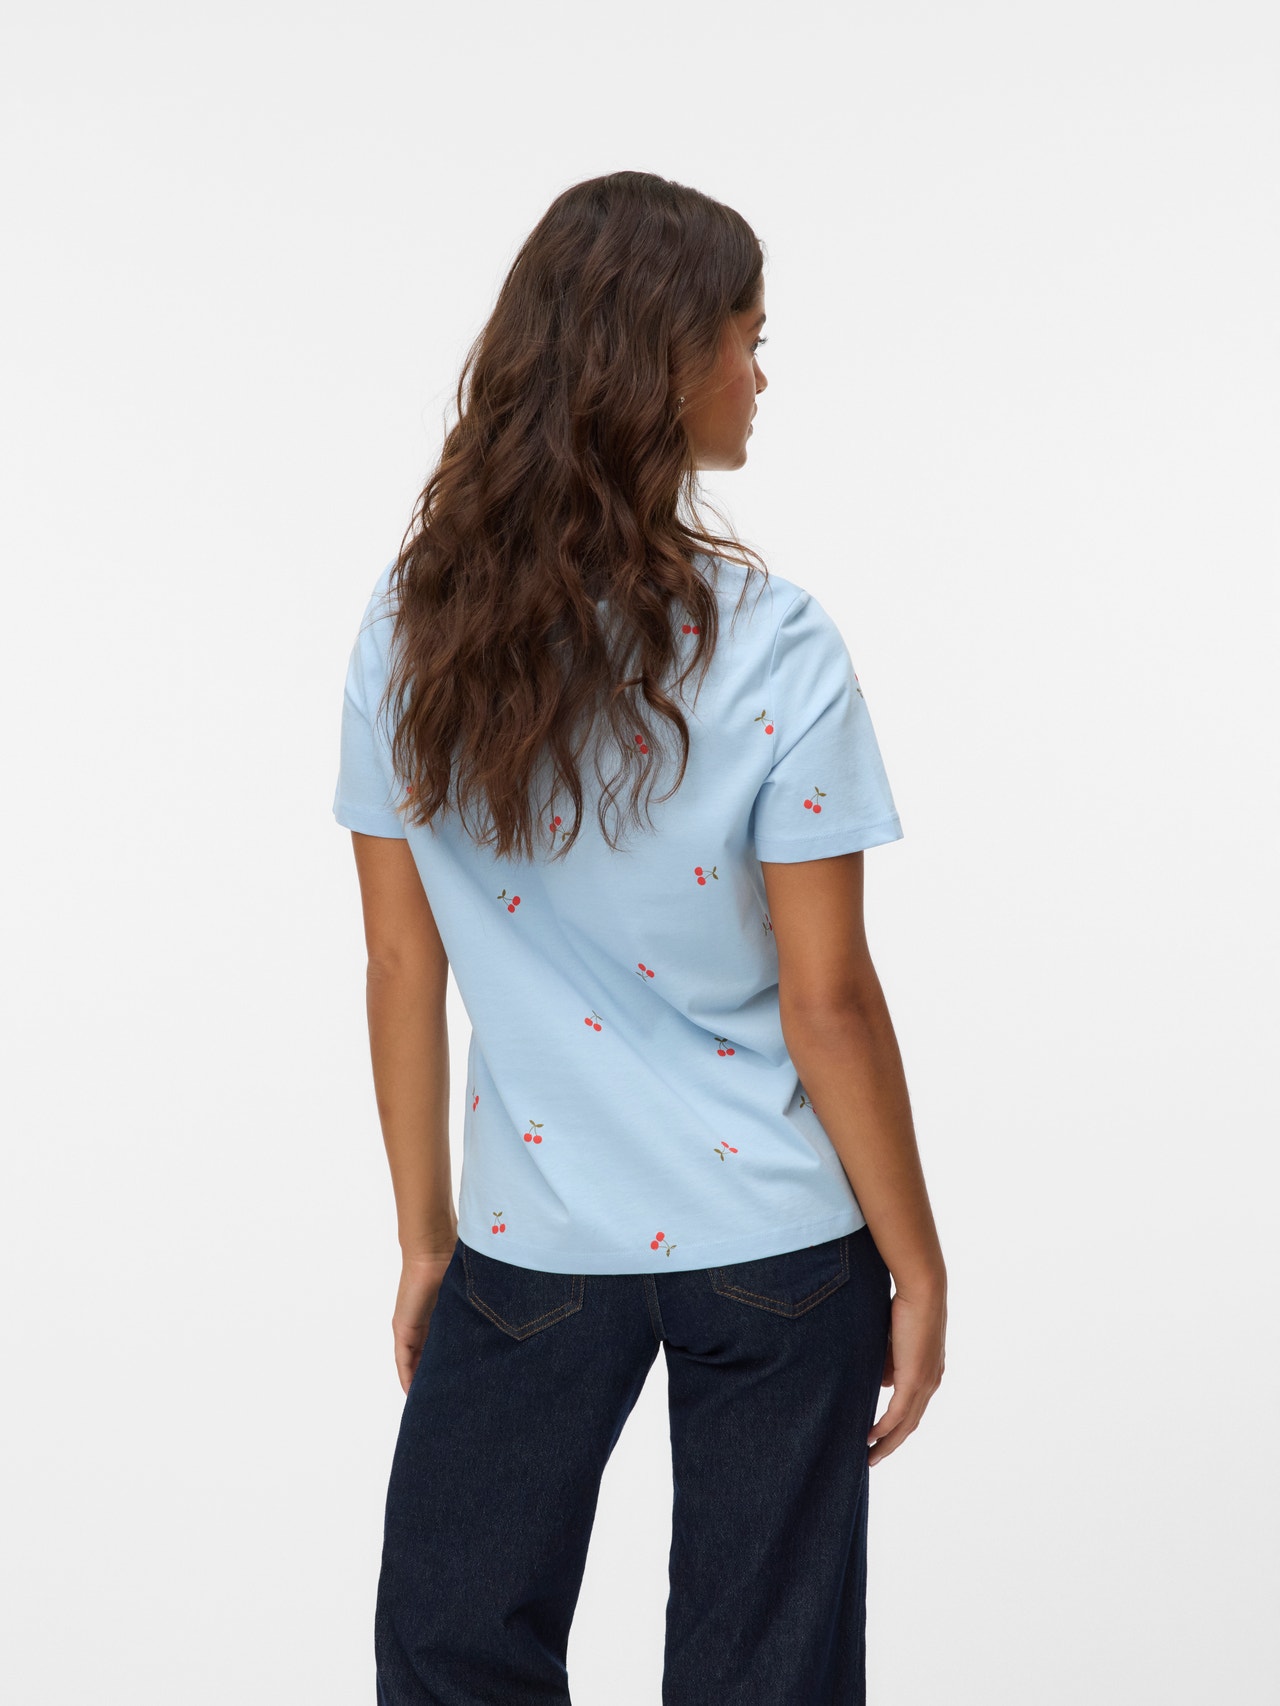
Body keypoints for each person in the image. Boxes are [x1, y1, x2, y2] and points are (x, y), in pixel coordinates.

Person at [332, 169, 947, 1706]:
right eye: (747, 338)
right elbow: (829, 1001)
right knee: (765, 1675)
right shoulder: (779, 643)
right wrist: (915, 1257)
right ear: (667, 362)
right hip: (781, 1245)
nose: (761, 375)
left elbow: (402, 965)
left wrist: (425, 1236)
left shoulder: (410, 631)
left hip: (531, 1236)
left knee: (452, 1647)